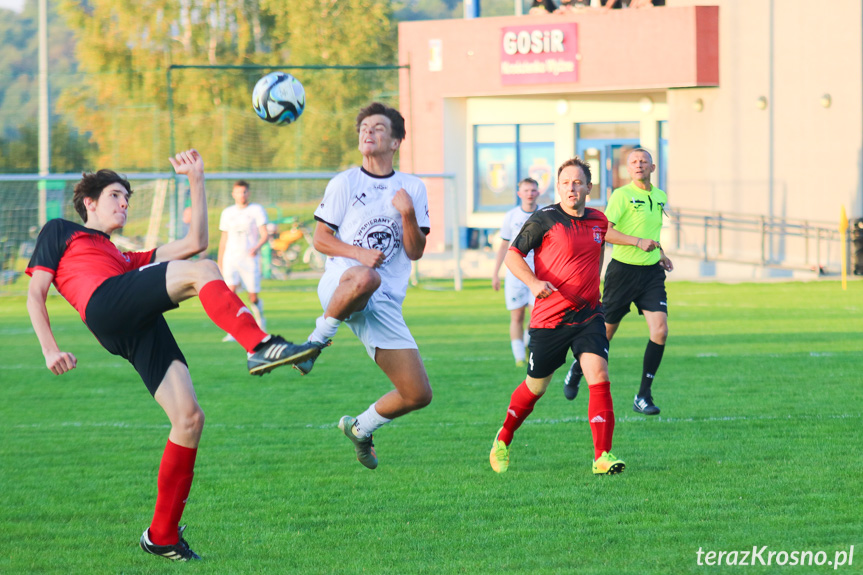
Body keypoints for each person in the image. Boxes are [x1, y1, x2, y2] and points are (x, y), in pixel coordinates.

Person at [25, 149, 319, 562]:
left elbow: (195, 242)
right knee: (203, 270)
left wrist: (196, 181)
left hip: (129, 318)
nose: (123, 203)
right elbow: (35, 294)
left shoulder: (127, 257)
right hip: (105, 303)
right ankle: (260, 345)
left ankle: (161, 535)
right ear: (89, 202)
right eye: (114, 196)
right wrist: (49, 348)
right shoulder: (61, 231)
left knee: (189, 419)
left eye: (127, 198)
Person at [297, 102, 432, 470]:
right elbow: (321, 239)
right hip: (343, 283)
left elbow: (415, 252)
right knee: (366, 275)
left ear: (396, 141)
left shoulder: (413, 188)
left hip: (384, 301)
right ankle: (315, 342)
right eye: (363, 128)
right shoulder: (345, 183)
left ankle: (361, 428)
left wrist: (406, 213)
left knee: (417, 393)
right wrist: (358, 252)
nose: (368, 132)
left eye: (378, 128)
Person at [488, 157, 625, 476]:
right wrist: (534, 283)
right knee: (536, 387)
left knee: (599, 376)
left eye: (578, 182)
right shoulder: (544, 218)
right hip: (550, 319)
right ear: (559, 187)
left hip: (589, 315)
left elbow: (605, 248)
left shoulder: (598, 220)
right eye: (565, 182)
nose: (571, 187)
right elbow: (513, 255)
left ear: (589, 187)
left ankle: (602, 456)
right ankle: (503, 438)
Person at [562, 148, 672, 416]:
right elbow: (605, 231)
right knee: (605, 333)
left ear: (652, 168)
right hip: (623, 273)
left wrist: (661, 253)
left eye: (643, 161)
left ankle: (643, 395)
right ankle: (577, 368)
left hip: (651, 274)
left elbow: (650, 232)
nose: (638, 165)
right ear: (628, 168)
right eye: (633, 162)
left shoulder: (659, 197)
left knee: (660, 331)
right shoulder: (622, 196)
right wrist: (637, 243)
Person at [492, 178, 541, 367]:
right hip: (514, 274)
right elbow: (504, 245)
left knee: (535, 316)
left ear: (538, 193)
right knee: (517, 316)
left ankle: (529, 344)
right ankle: (519, 357)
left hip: (538, 275)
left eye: (533, 190)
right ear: (519, 194)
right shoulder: (511, 216)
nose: (530, 193)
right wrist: (495, 273)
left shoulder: (544, 214)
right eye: (526, 190)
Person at [217, 180, 269, 341]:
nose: (242, 195)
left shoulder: (256, 210)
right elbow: (223, 238)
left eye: (244, 192)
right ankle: (234, 330)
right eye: (238, 192)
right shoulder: (227, 213)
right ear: (233, 194)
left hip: (249, 259)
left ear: (249, 193)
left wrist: (256, 247)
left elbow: (265, 234)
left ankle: (261, 325)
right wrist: (220, 261)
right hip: (231, 258)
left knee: (252, 296)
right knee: (230, 294)